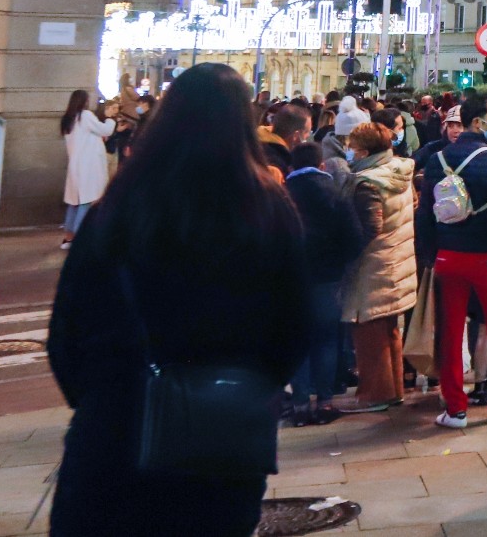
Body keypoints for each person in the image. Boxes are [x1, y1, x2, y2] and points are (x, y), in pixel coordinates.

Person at [47, 64, 307, 537]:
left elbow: (67, 328)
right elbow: (295, 328)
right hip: (223, 437)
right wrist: (249, 388)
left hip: (116, 427)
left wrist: (104, 397)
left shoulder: (122, 204)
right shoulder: (270, 208)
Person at [417, 106, 487, 428]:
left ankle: (455, 409)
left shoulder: (438, 160)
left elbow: (425, 213)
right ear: (480, 122)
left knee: (450, 331)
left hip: (450, 255)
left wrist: (429, 255)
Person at [338, 122, 418, 413]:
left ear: (364, 150)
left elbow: (369, 227)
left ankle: (374, 394)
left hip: (373, 265)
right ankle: (393, 389)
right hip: (396, 260)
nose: (349, 152)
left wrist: (345, 251)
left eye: (352, 147)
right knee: (388, 329)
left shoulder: (368, 181)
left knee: (369, 330)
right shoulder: (399, 172)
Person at [284, 141, 365, 426]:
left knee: (298, 342)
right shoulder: (337, 195)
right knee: (327, 340)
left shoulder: (282, 195)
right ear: (321, 165)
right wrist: (338, 263)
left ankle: (300, 405)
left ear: (291, 168)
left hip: (291, 281)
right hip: (329, 279)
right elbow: (356, 239)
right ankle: (326, 402)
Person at [59, 90, 114, 249]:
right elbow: (106, 130)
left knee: (74, 202)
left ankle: (68, 237)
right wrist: (110, 119)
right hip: (88, 165)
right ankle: (79, 236)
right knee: (86, 201)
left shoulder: (68, 119)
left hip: (75, 165)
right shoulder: (85, 116)